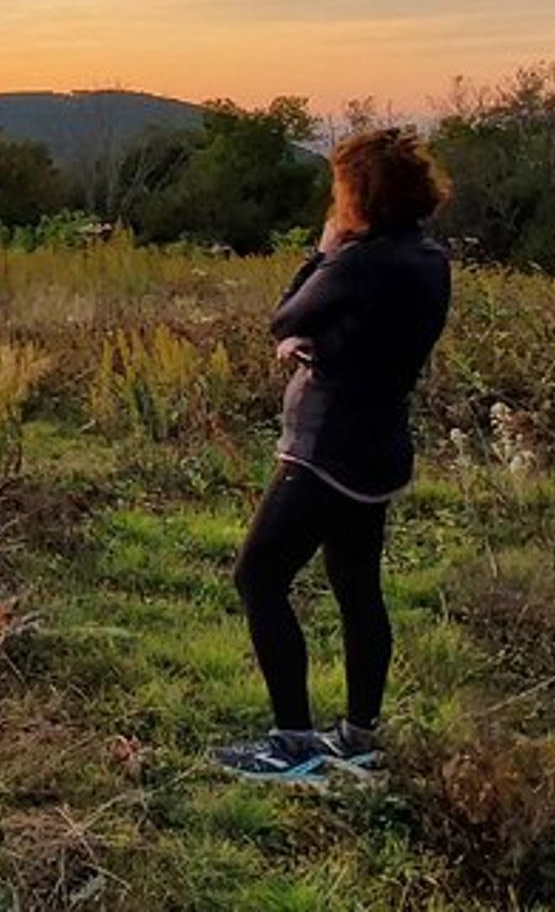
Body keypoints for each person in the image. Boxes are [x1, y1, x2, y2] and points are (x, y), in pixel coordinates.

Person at [214, 127, 452, 783]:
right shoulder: (428, 258)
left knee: (259, 578)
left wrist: (322, 255)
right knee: (357, 589)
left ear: (362, 194)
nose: (335, 198)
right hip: (379, 448)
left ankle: (292, 742)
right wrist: (326, 342)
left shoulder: (358, 260)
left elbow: (284, 317)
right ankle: (358, 735)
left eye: (341, 188)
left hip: (326, 451)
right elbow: (376, 336)